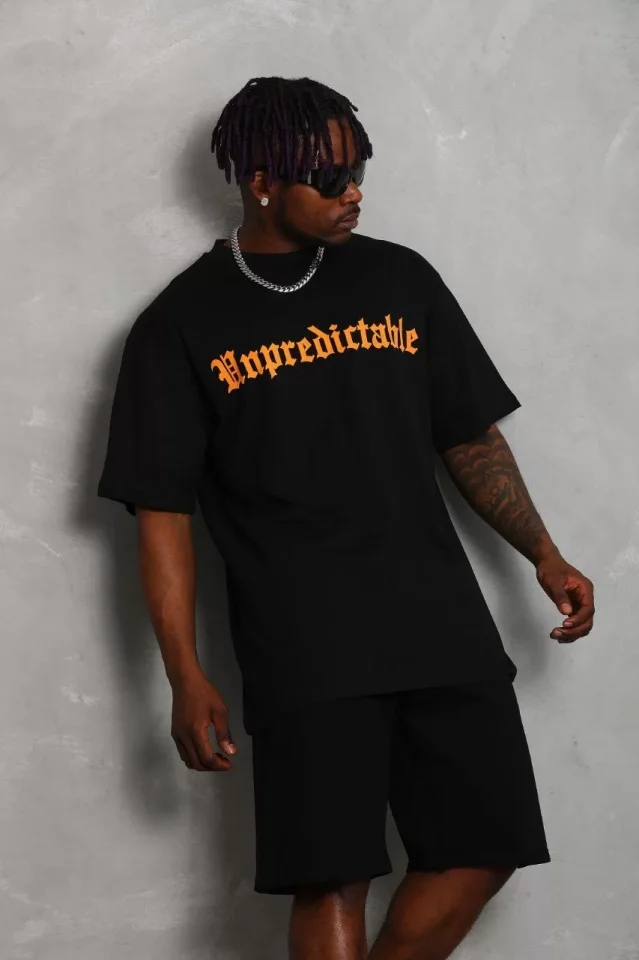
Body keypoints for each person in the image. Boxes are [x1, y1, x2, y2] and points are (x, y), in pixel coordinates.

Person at [97, 76, 595, 960]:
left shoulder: (400, 278)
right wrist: (184, 673)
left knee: (484, 848)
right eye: (329, 178)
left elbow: (467, 437)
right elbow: (161, 513)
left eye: (358, 170)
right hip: (305, 644)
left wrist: (543, 553)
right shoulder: (180, 324)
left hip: (439, 623)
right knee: (331, 874)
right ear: (260, 181)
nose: (353, 191)